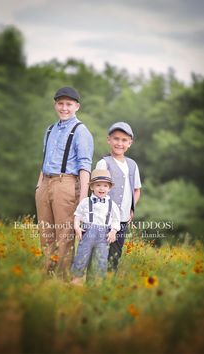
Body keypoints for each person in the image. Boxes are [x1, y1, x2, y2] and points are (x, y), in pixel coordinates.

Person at [35, 87, 94, 278]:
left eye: (69, 104)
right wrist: (39, 186)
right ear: (55, 105)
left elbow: (85, 166)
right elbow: (44, 160)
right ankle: (47, 276)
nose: (64, 108)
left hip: (66, 184)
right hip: (45, 183)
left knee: (64, 235)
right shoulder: (50, 130)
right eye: (60, 103)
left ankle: (62, 279)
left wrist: (83, 199)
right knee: (46, 234)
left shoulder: (81, 131)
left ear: (77, 106)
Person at [96, 122, 141, 272]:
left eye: (124, 140)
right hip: (103, 219)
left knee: (115, 254)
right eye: (116, 139)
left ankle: (109, 283)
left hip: (122, 219)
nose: (119, 143)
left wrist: (131, 210)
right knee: (100, 252)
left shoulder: (132, 165)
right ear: (109, 140)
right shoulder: (104, 163)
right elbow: (96, 191)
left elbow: (136, 190)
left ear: (130, 143)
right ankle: (94, 282)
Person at [71, 169, 120, 285]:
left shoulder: (112, 205)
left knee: (101, 259)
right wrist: (77, 227)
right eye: (98, 185)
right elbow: (77, 215)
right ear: (92, 187)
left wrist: (113, 231)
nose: (101, 188)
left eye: (105, 186)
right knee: (82, 256)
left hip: (103, 236)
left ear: (109, 188)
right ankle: (76, 280)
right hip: (87, 233)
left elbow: (116, 220)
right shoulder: (85, 202)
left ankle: (96, 283)